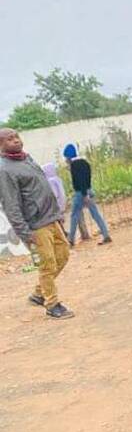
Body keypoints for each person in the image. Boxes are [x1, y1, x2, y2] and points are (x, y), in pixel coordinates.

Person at [0, 128, 74, 319]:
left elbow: (42, 188)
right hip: (35, 225)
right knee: (47, 264)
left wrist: (57, 213)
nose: (15, 140)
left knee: (63, 254)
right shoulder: (4, 170)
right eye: (9, 139)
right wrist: (24, 232)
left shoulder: (27, 158)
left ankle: (39, 294)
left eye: (16, 137)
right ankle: (52, 305)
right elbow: (11, 205)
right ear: (1, 145)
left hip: (51, 218)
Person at [63, 143, 112, 246]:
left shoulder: (74, 166)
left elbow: (80, 181)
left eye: (66, 157)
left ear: (68, 157)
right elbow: (87, 178)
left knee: (74, 215)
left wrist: (84, 194)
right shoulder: (85, 163)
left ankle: (71, 239)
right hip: (89, 189)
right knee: (96, 214)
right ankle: (106, 234)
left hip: (80, 193)